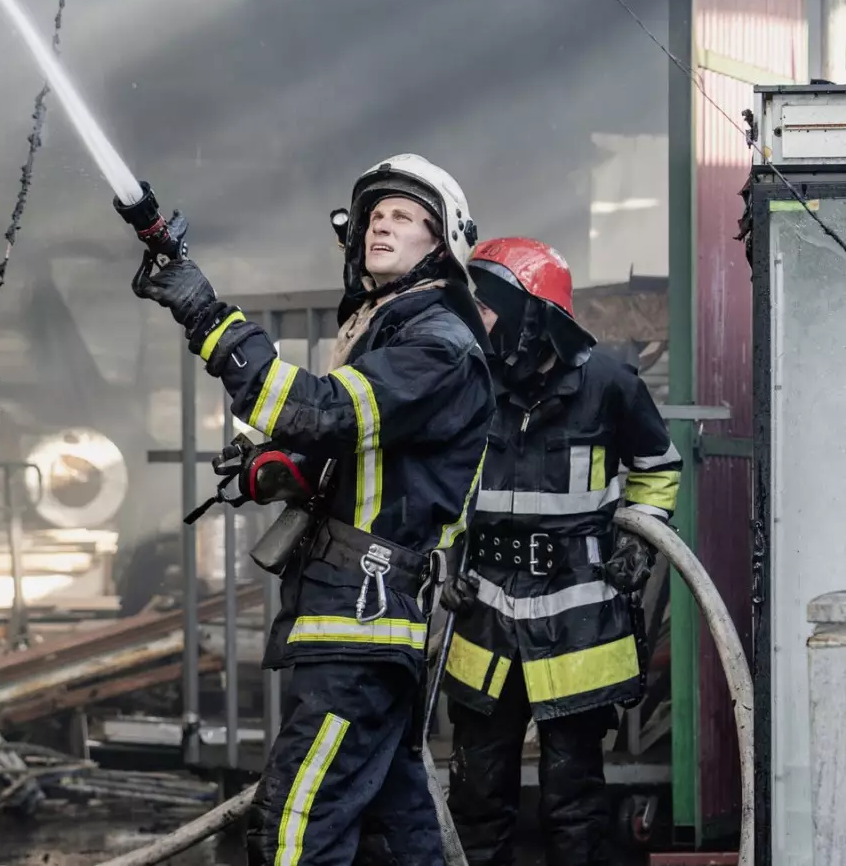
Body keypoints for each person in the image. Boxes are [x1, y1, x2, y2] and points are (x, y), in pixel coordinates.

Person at [121, 155, 494, 866]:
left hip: (361, 625)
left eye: (405, 216)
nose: (382, 223)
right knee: (395, 834)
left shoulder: (436, 347)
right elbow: (356, 454)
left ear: (442, 244)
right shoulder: (392, 337)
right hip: (355, 623)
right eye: (375, 214)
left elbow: (319, 412)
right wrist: (285, 468)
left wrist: (206, 313)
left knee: (293, 830)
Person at [439, 237, 681, 866]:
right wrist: (447, 560)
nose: (476, 318)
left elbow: (657, 467)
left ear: (532, 314)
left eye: (488, 306)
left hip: (578, 623)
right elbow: (446, 483)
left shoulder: (609, 385)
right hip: (486, 617)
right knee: (475, 797)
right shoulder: (469, 381)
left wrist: (639, 535)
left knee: (574, 806)